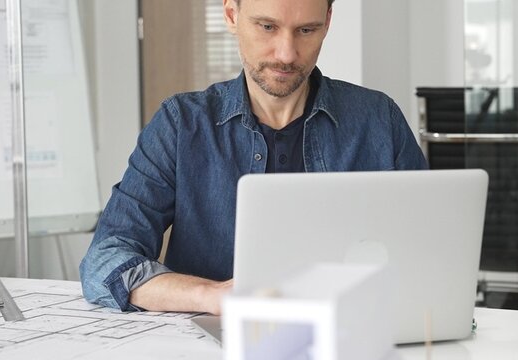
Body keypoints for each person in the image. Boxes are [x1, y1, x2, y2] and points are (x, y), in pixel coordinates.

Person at [79, 0, 427, 315]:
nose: (287, 54)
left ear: (328, 21)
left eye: (307, 30)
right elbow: (105, 259)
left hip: (354, 335)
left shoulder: (379, 119)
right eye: (267, 27)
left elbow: (428, 250)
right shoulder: (181, 124)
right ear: (232, 15)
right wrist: (210, 296)